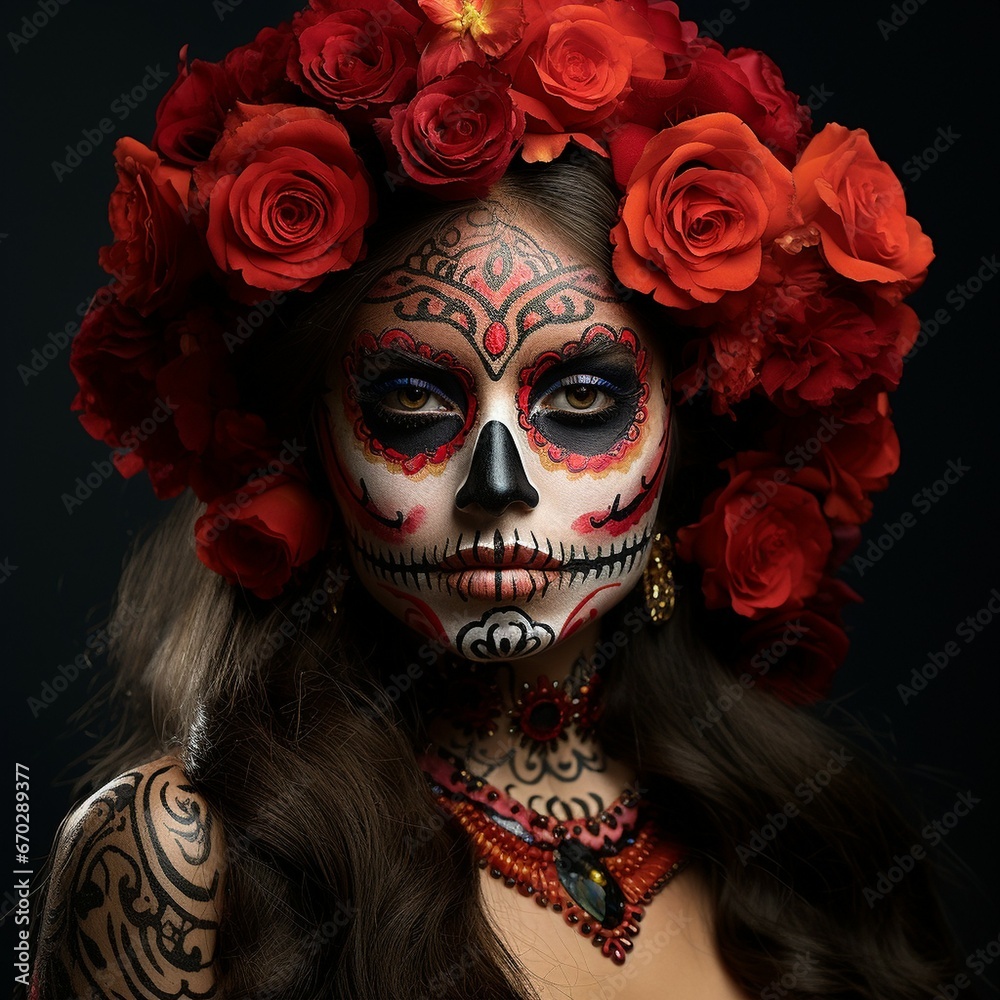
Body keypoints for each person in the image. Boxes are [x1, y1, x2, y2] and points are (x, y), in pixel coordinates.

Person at [28, 1, 961, 997]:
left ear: (688, 440)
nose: (498, 485)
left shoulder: (804, 838)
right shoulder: (178, 857)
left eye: (583, 399)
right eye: (414, 402)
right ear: (306, 449)